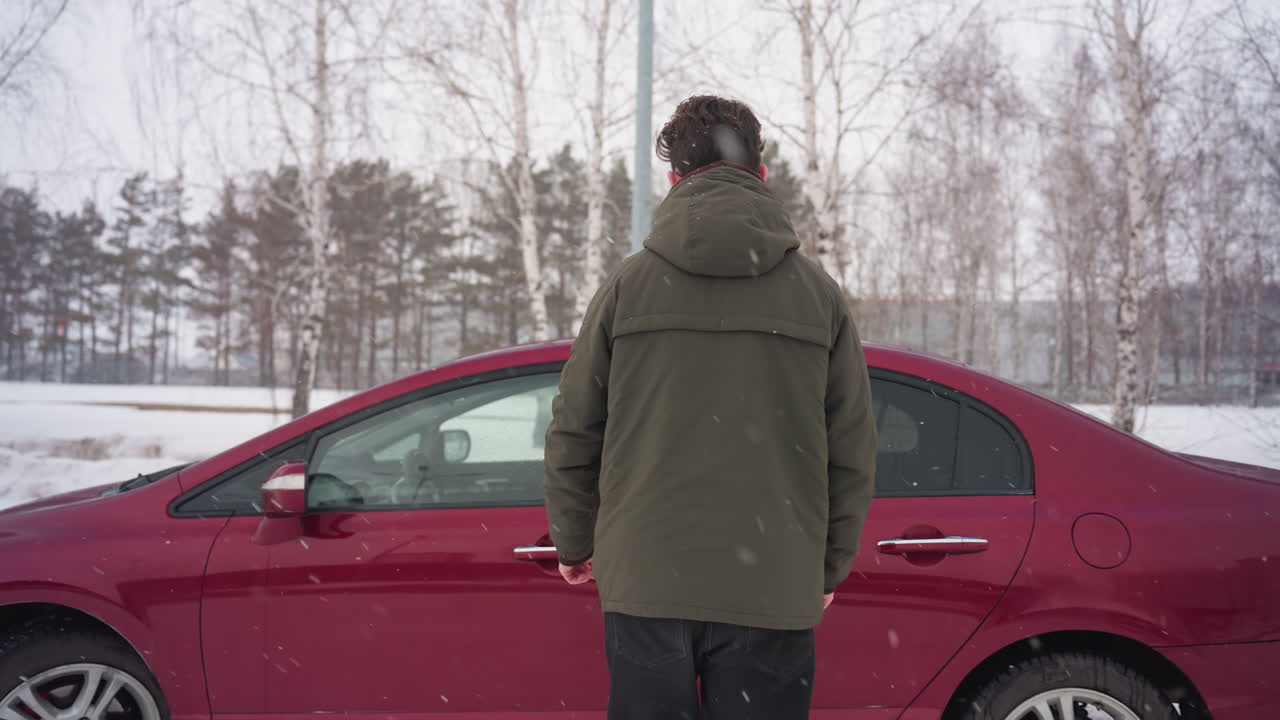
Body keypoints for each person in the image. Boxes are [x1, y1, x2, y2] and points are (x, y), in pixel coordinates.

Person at [544, 95, 878, 720]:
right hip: (774, 580)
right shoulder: (817, 296)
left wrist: (573, 541)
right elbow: (852, 447)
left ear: (674, 180)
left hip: (647, 578)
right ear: (762, 174)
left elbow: (573, 428)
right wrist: (827, 567)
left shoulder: (628, 287)